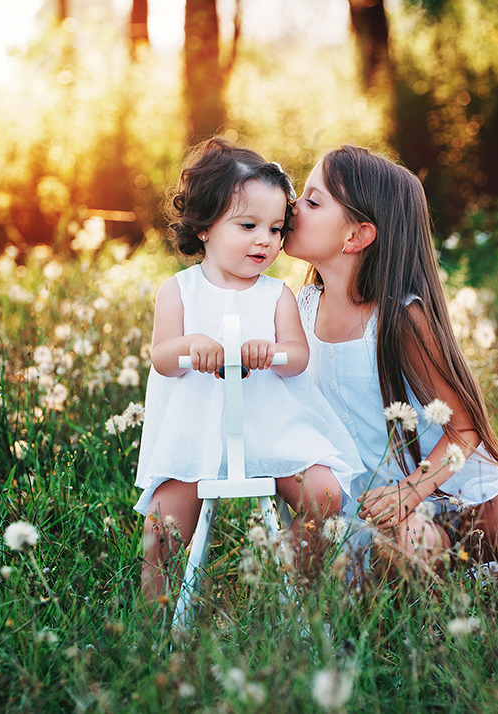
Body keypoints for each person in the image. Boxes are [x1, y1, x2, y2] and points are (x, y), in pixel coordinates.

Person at [284, 145, 498, 575]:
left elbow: (462, 428)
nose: (292, 208)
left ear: (355, 237)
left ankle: (480, 556)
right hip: (365, 508)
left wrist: (410, 492)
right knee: (403, 555)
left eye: (312, 200)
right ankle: (448, 565)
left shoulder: (399, 317)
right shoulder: (296, 309)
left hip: (437, 485)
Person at [136, 138, 363, 602]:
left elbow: (297, 357)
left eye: (277, 229)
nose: (266, 240)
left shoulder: (276, 295)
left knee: (324, 495)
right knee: (161, 532)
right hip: (197, 433)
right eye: (248, 225)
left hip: (269, 428)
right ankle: (150, 625)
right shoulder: (179, 291)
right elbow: (161, 357)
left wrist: (272, 350)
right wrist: (191, 345)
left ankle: (296, 587)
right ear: (203, 227)